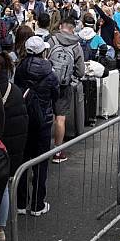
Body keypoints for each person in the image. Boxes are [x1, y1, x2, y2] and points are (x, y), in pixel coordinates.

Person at [14, 36, 59, 216]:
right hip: (43, 119)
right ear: (43, 51)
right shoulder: (50, 72)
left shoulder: (20, 69)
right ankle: (37, 204)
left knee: (23, 159)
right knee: (41, 162)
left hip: (24, 117)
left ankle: (21, 202)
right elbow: (55, 94)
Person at [0, 52, 28, 241]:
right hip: (11, 147)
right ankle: (0, 228)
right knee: (4, 187)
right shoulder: (16, 91)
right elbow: (23, 123)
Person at [47, 17, 86, 163]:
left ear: (61, 25)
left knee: (45, 115)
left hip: (48, 83)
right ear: (73, 28)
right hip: (64, 85)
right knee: (60, 118)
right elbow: (81, 71)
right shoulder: (76, 46)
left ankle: (41, 149)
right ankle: (57, 152)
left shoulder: (52, 40)